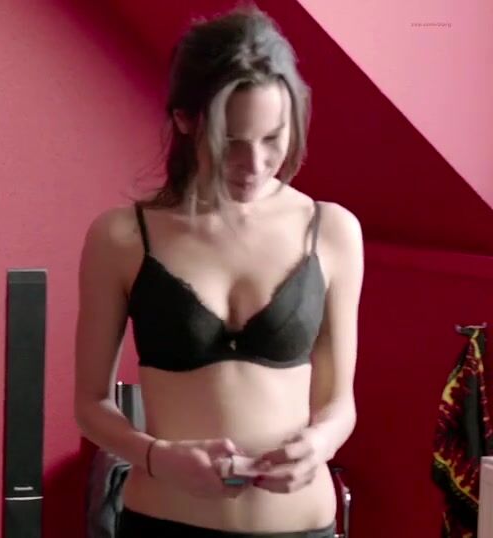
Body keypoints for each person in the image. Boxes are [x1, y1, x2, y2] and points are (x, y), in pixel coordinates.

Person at [74, 6, 362, 538]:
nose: (255, 164)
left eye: (273, 138)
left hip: (304, 526)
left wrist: (318, 445)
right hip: (166, 523)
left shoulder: (333, 231)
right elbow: (90, 405)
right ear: (186, 120)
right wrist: (156, 457)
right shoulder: (122, 237)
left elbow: (339, 403)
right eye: (231, 142)